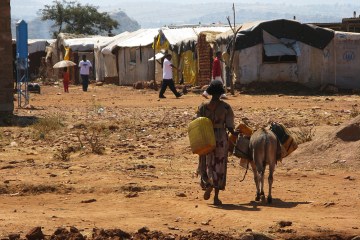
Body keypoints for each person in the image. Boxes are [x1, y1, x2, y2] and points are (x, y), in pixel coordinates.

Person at [196, 80, 236, 205]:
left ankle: (208, 182)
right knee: (219, 164)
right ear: (220, 93)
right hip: (220, 138)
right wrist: (235, 133)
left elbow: (196, 122)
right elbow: (230, 127)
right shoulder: (226, 107)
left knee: (206, 161)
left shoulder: (203, 106)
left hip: (206, 137)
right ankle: (216, 197)